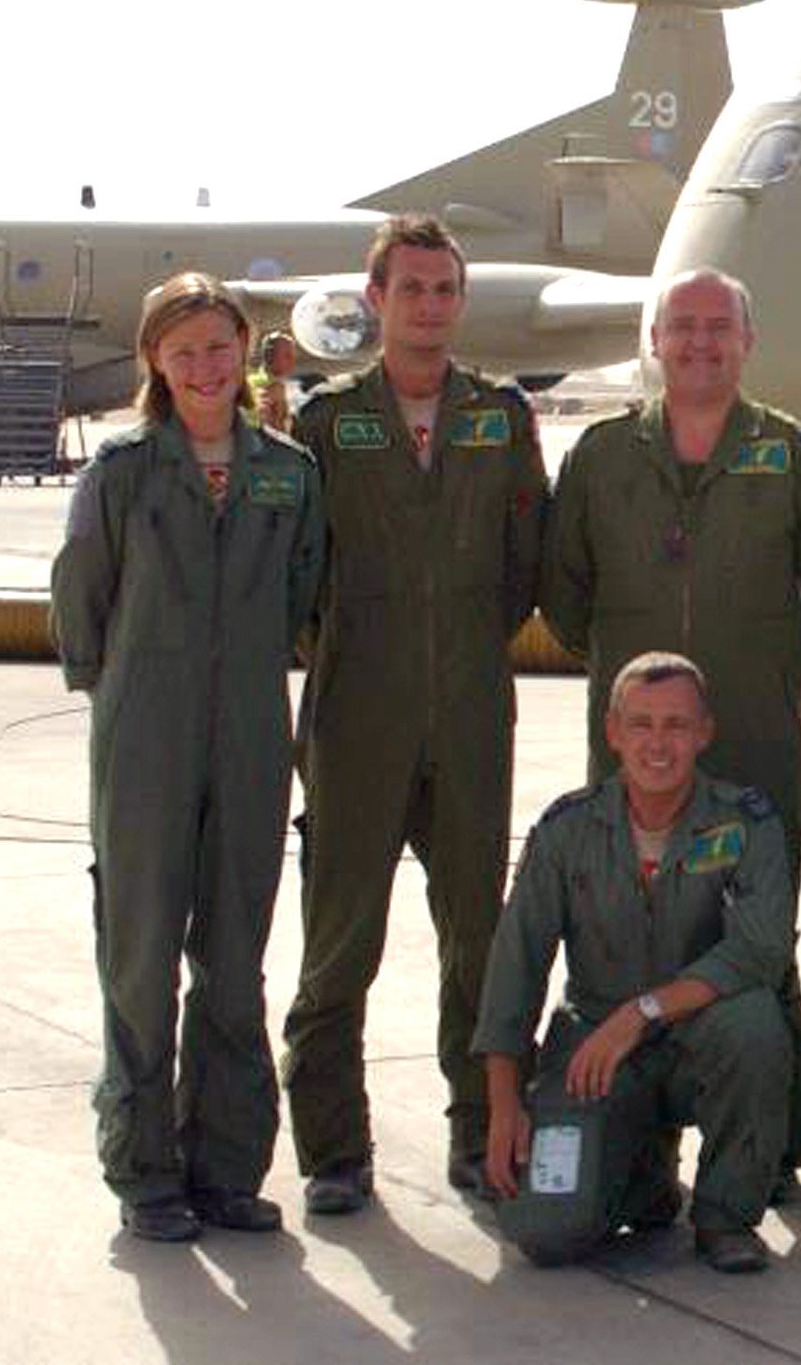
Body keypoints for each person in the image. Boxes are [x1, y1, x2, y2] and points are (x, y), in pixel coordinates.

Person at [544, 266, 801, 1184]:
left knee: (758, 948)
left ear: (746, 341)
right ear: (654, 340)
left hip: (758, 744)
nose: (698, 342)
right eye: (680, 326)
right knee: (628, 940)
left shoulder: (792, 455)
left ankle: (777, 1137)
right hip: (637, 762)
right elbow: (565, 597)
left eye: (717, 327)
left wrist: (769, 664)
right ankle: (636, 1142)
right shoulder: (604, 456)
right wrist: (630, 693)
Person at [281, 215, 550, 1214]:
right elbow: (301, 571)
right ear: (378, 296)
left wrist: (467, 646)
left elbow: (525, 560)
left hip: (474, 713)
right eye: (411, 288)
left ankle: (478, 1132)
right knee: (339, 940)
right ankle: (334, 1150)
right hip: (357, 716)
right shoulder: (327, 419)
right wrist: (359, 651)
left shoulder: (500, 416)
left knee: (479, 939)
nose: (428, 305)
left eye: (444, 289)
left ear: (459, 301)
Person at [49, 272, 325, 1242]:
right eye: (184, 350)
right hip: (145, 736)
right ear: (155, 363)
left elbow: (301, 592)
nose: (205, 367)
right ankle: (145, 1169)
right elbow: (79, 593)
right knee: (140, 955)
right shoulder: (122, 471)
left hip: (251, 732)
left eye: (219, 346)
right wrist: (127, 690)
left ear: (244, 350)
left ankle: (227, 1166)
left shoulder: (288, 470)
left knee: (236, 959)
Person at [473, 654, 795, 1273]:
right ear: (612, 731)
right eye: (641, 724)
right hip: (594, 1053)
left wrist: (642, 1013)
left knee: (753, 1023)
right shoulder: (567, 830)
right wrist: (504, 1104)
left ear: (705, 732)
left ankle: (725, 1215)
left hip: (697, 1038)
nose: (658, 743)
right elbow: (516, 966)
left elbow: (760, 949)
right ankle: (644, 1178)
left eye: (676, 725)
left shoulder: (745, 822)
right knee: (544, 1234)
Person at [250, 330, 299, 431]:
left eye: (293, 356)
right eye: (288, 356)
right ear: (269, 355)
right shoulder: (258, 386)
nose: (293, 361)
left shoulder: (284, 386)